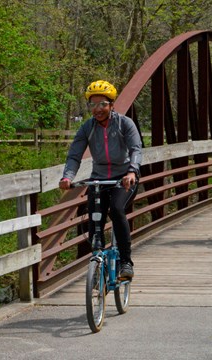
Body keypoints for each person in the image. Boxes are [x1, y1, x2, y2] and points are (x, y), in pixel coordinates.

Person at [59, 80, 142, 280]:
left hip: (124, 179)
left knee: (116, 209)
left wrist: (131, 172)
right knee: (94, 216)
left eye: (102, 104)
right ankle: (98, 261)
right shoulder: (88, 127)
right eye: (93, 105)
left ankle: (126, 263)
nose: (97, 109)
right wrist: (67, 177)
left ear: (111, 104)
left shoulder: (124, 123)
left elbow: (135, 149)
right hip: (99, 179)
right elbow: (74, 155)